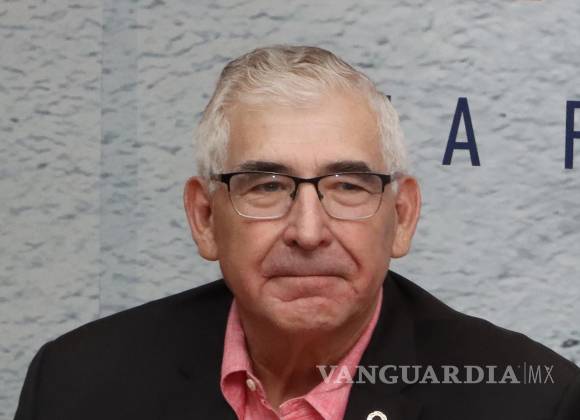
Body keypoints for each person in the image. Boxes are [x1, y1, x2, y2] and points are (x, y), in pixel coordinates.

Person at [14, 45, 580, 420]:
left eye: (348, 186)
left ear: (402, 217)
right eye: (266, 186)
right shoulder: (77, 386)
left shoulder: (531, 403)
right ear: (205, 219)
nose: (309, 232)